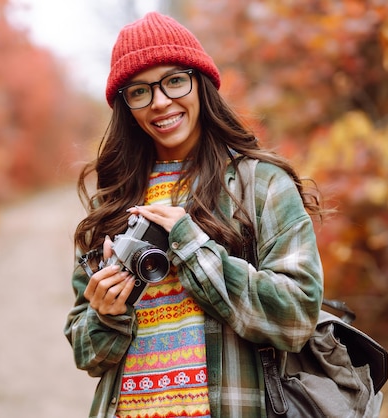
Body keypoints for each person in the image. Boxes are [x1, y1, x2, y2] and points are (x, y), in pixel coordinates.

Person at [64, 11, 324, 418]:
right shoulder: (111, 205)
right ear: (126, 106)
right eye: (139, 91)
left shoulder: (260, 184)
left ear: (200, 82)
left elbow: (296, 317)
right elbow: (87, 355)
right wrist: (107, 314)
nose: (161, 101)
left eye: (174, 80)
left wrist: (192, 248)